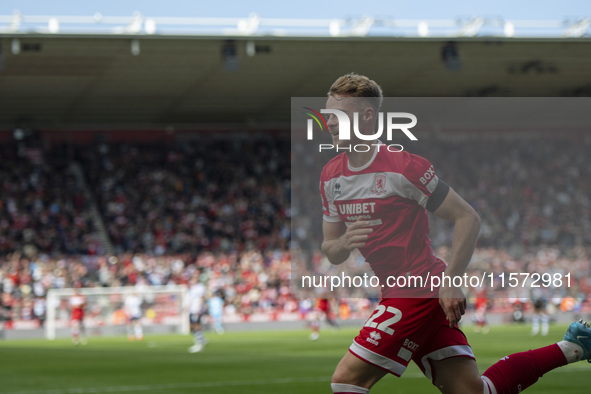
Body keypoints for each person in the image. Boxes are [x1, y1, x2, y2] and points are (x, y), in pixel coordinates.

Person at [318, 73, 591, 394]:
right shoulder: (330, 176)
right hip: (395, 290)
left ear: (366, 116)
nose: (329, 123)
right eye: (326, 115)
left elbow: (467, 217)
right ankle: (574, 347)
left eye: (337, 114)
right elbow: (331, 248)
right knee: (475, 391)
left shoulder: (404, 168)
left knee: (346, 381)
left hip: (417, 288)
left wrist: (451, 280)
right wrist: (343, 243)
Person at [188, 275, 207, 353]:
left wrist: (200, 309)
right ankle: (202, 339)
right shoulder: (192, 288)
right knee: (192, 327)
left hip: (197, 309)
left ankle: (199, 343)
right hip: (192, 309)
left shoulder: (200, 287)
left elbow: (202, 298)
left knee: (196, 326)